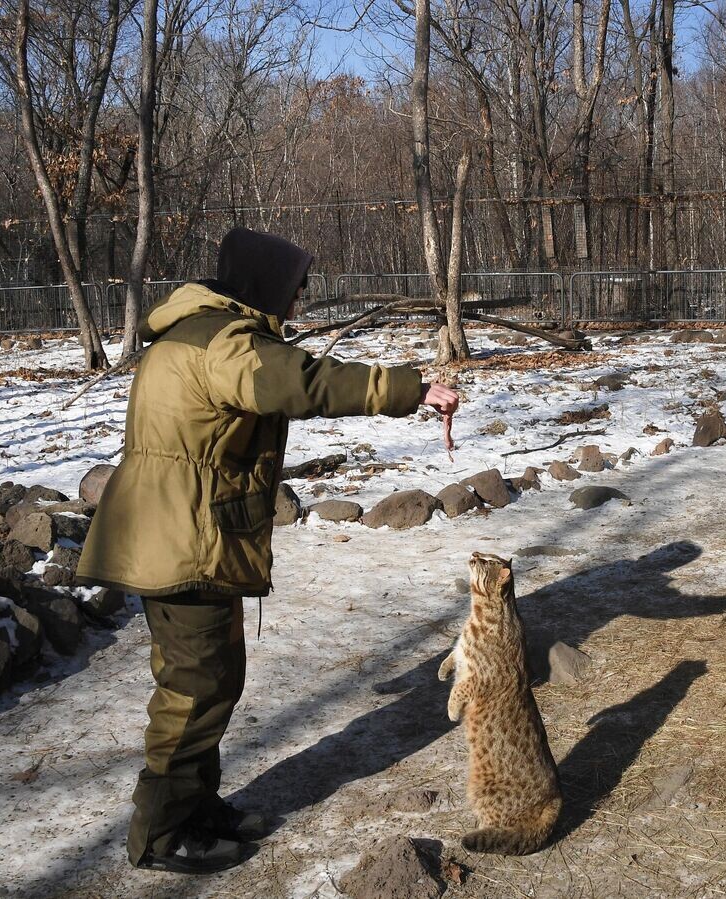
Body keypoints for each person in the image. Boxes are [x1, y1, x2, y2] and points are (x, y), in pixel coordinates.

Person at [76, 227, 459, 874]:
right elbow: (302, 382)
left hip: (182, 532)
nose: (300, 304)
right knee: (192, 689)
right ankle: (163, 832)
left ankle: (196, 805)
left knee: (215, 679)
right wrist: (409, 389)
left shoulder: (200, 331)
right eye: (297, 291)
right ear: (264, 287)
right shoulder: (222, 344)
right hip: (177, 540)